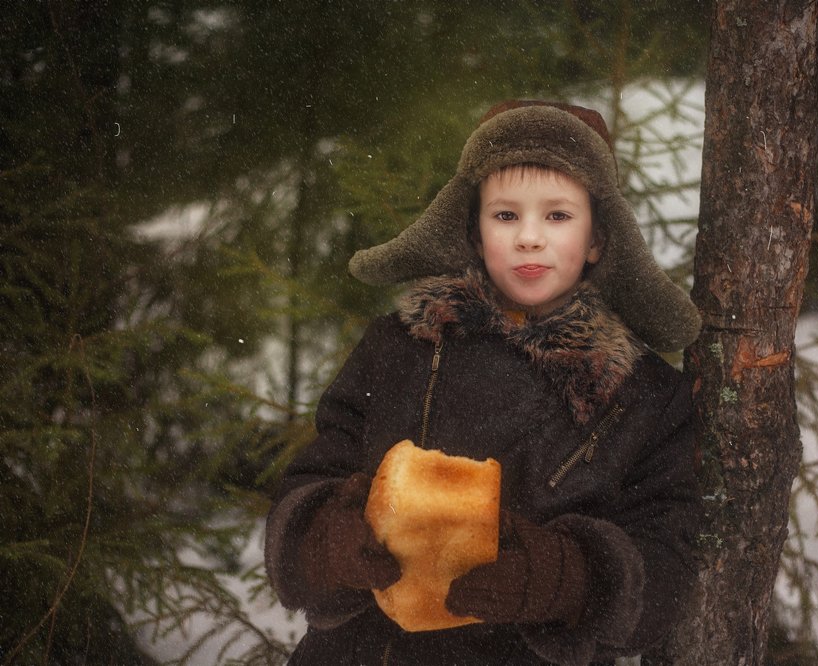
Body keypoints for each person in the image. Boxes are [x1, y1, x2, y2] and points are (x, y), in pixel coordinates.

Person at [265, 100, 703, 666]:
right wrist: (324, 539)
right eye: (506, 215)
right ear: (473, 231)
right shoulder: (396, 348)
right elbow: (317, 471)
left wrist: (565, 579)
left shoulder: (645, 400)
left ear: (598, 238)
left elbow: (667, 557)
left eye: (558, 216)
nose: (529, 238)